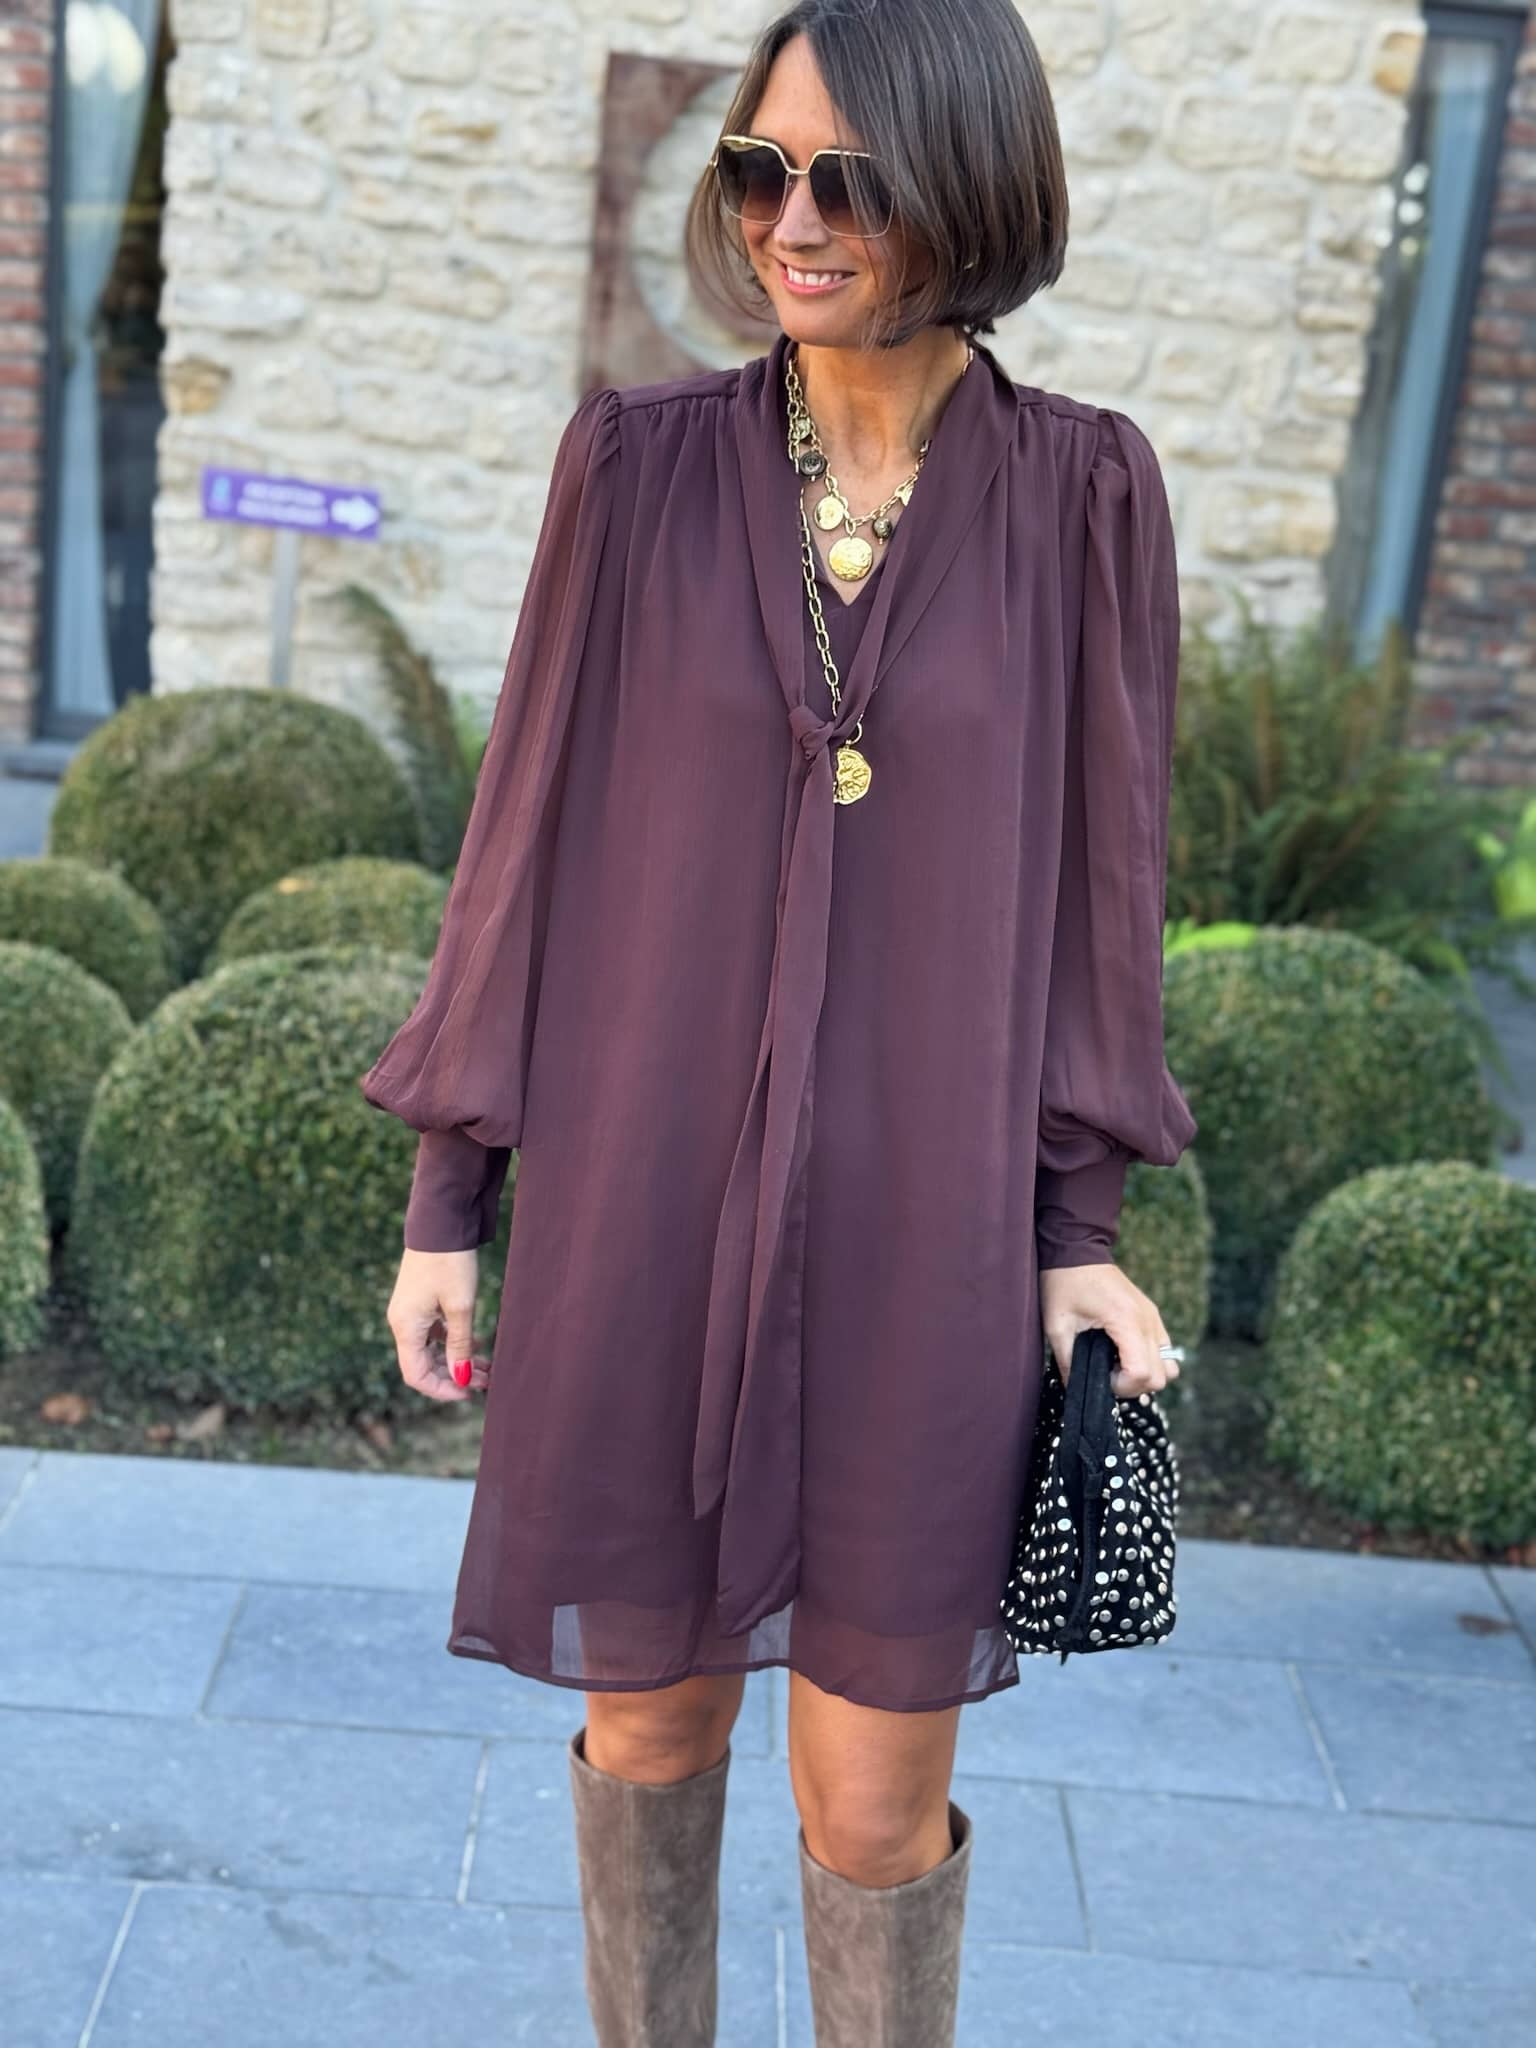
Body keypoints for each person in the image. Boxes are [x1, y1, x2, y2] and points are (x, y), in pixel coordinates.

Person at [359, 1, 1197, 2041]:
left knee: (873, 1805)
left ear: (970, 188)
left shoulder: (1085, 497)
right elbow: (525, 840)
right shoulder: (635, 470)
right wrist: (451, 1195)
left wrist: (1078, 1235)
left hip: (926, 1251)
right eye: (760, 171)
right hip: (646, 1212)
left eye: (848, 179)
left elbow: (1105, 898)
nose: (790, 223)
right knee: (646, 1732)